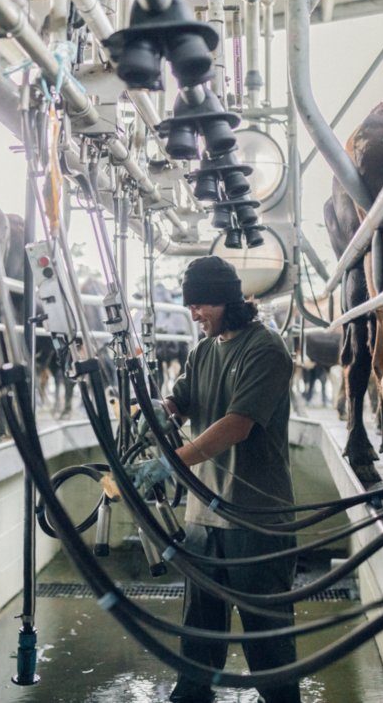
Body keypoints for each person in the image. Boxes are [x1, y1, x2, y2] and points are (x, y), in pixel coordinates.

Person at [128, 255, 301, 703]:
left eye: (200, 304)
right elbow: (182, 398)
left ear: (227, 299)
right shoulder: (204, 350)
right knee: (199, 640)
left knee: (269, 643)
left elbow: (238, 424)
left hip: (255, 520)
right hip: (203, 518)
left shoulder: (265, 349)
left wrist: (172, 463)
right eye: (190, 306)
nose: (193, 313)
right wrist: (160, 412)